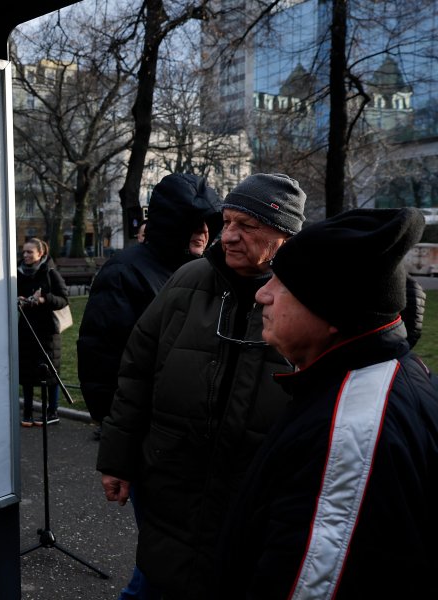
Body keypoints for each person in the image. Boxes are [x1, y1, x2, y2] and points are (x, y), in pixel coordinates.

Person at [97, 173, 307, 599]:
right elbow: (136, 372)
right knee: (158, 582)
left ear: (284, 234)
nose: (227, 236)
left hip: (255, 499)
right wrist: (117, 459)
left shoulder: (308, 300)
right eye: (226, 222)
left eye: (245, 226)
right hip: (172, 485)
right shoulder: (188, 281)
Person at [215, 207, 438, 598]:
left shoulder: (351, 433)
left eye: (283, 284)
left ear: (332, 310)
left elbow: (311, 584)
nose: (262, 293)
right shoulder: (384, 372)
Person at [78, 173, 222, 441]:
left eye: (208, 223)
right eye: (193, 224)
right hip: (144, 425)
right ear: (172, 224)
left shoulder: (205, 271)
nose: (203, 232)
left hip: (190, 426)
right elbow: (101, 355)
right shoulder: (125, 271)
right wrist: (117, 428)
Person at [18, 237, 70, 426]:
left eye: (30, 252)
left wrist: (44, 300)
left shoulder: (50, 273)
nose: (25, 255)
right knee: (26, 372)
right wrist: (20, 299)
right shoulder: (18, 273)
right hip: (26, 328)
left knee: (49, 372)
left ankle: (52, 411)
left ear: (41, 254)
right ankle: (28, 411)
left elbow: (64, 299)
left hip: (47, 330)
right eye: (24, 251)